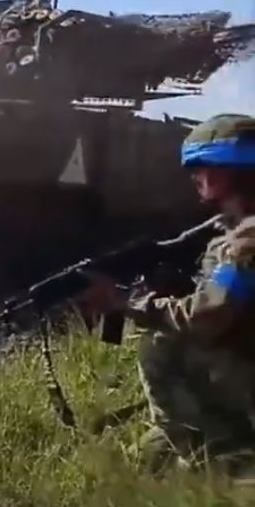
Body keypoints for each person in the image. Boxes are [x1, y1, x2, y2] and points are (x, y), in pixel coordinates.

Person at [81, 113, 255, 472]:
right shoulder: (233, 229)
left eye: (202, 167)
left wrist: (127, 302)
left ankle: (225, 461)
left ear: (226, 171)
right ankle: (194, 437)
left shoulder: (247, 243)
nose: (195, 177)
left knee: (161, 345)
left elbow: (208, 317)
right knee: (150, 454)